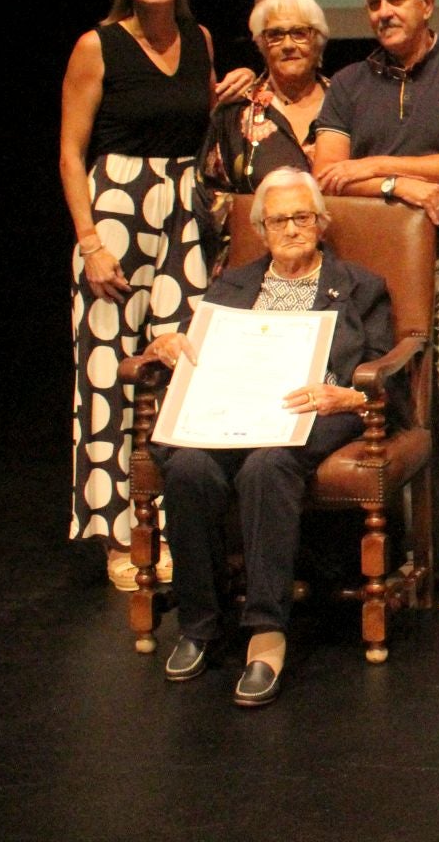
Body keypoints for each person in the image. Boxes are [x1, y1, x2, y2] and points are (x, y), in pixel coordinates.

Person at [147, 168, 401, 707]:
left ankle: (266, 632)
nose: (290, 229)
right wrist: (171, 345)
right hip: (234, 412)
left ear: (321, 223)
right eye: (278, 220)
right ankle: (199, 624)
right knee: (188, 466)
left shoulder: (361, 286)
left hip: (316, 409)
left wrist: (347, 397)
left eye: (301, 217)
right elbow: (201, 349)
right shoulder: (232, 285)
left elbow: (385, 368)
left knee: (268, 464)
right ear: (260, 230)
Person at [309, 0, 439, 610]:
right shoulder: (346, 83)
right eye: (373, 2)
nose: (383, 12)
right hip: (379, 273)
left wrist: (377, 167)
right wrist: (401, 184)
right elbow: (326, 175)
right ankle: (406, 554)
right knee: (393, 405)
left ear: (428, 4)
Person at [59, 0, 251, 590]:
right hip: (116, 207)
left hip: (185, 209)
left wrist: (231, 89)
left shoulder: (199, 41)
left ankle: (172, 527)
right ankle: (118, 535)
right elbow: (69, 154)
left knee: (182, 366)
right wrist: (90, 243)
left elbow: (197, 121)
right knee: (109, 373)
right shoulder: (98, 45)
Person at [197, 0, 331, 271]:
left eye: (299, 33)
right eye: (275, 35)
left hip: (336, 264)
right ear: (261, 43)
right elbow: (207, 195)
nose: (288, 45)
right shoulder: (235, 112)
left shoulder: (346, 105)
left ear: (318, 40)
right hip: (253, 267)